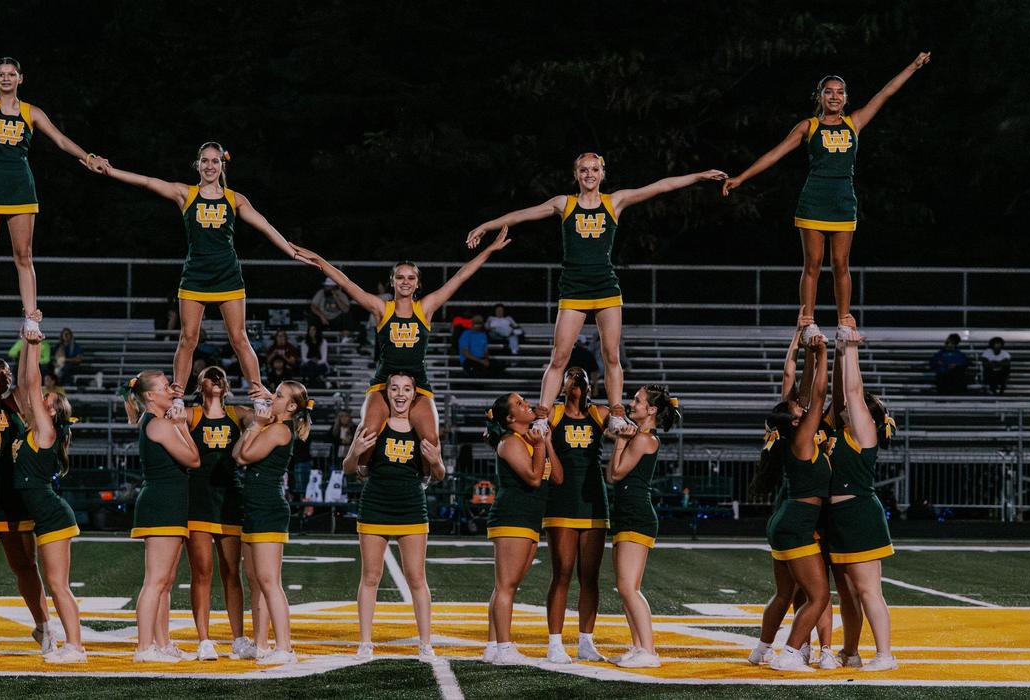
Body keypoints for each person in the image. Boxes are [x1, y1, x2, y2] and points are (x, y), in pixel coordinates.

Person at [467, 156, 727, 436]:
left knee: (611, 355)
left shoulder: (614, 201)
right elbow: (522, 214)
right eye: (583, 169)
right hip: (574, 289)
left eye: (594, 169)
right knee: (559, 357)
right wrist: (487, 225)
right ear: (576, 174)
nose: (589, 174)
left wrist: (699, 176)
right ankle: (542, 416)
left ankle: (616, 413)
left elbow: (661, 186)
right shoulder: (563, 204)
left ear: (602, 173)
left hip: (605, 288)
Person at [723, 53, 932, 337]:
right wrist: (741, 178)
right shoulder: (808, 126)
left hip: (843, 202)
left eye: (840, 92)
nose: (835, 96)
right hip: (814, 201)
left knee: (840, 264)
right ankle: (807, 317)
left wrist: (912, 66)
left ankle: (844, 317)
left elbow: (886, 92)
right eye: (828, 92)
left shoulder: (854, 123)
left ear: (846, 98)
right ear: (819, 97)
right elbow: (775, 153)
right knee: (813, 263)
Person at [100, 142, 305, 418]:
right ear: (198, 164)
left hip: (228, 276)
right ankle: (177, 396)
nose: (210, 166)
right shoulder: (186, 194)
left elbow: (265, 224)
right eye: (205, 161)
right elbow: (148, 182)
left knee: (239, 338)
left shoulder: (235, 199)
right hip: (195, 277)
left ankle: (258, 394)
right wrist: (111, 171)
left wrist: (291, 251)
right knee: (188, 338)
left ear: (223, 165)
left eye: (215, 161)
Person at [293, 228, 511, 480]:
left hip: (418, 383)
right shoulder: (381, 308)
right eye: (400, 277)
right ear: (392, 281)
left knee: (431, 440)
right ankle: (366, 474)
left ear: (417, 283)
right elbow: (345, 283)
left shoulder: (425, 308)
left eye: (410, 278)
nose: (405, 281)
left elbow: (460, 277)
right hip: (384, 381)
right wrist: (318, 260)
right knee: (368, 432)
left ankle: (421, 479)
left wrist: (489, 250)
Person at [0, 19, 105, 340]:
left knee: (23, 255)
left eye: (11, 73)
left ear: (20, 79)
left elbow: (59, 139)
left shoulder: (32, 112)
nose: (6, 77)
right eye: (1, 74)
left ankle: (31, 318)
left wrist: (88, 157)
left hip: (20, 188)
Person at [748, 327, 849, 670]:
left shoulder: (791, 438)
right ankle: (790, 653)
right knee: (819, 595)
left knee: (785, 593)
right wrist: (822, 355)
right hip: (797, 523)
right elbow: (818, 394)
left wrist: (808, 350)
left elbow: (806, 393)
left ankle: (761, 649)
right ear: (795, 419)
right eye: (798, 409)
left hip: (785, 521)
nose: (804, 409)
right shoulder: (802, 437)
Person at [343, 372, 445, 661]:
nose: (400, 394)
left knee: (416, 577)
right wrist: (355, 452)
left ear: (415, 394)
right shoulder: (374, 425)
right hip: (375, 504)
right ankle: (365, 643)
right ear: (385, 393)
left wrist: (437, 461)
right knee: (370, 576)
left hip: (412, 506)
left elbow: (439, 474)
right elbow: (349, 467)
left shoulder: (421, 427)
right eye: (395, 389)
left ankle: (425, 643)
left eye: (407, 389)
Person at [0, 357, 53, 660]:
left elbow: (30, 382)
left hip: (15, 500)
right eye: (4, 370)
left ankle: (43, 626)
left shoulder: (12, 404)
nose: (9, 375)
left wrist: (31, 341)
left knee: (26, 567)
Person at [823, 326, 898, 671]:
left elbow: (852, 390)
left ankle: (885, 655)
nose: (846, 407)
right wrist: (838, 351)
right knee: (849, 595)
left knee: (869, 591)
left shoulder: (863, 433)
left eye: (856, 408)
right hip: (839, 520)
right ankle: (850, 652)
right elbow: (842, 391)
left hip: (860, 516)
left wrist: (850, 347)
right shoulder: (841, 433)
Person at [14, 333, 86, 663]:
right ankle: (71, 644)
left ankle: (76, 647)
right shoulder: (33, 429)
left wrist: (32, 344)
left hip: (53, 517)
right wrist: (26, 345)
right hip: (45, 517)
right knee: (55, 584)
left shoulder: (46, 431)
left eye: (50, 400)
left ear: (54, 413)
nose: (43, 399)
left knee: (58, 585)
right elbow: (24, 384)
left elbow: (31, 384)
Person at [233, 380, 313, 666]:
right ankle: (262, 643)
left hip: (268, 508)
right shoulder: (270, 426)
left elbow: (244, 456)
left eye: (278, 396)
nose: (272, 398)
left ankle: (284, 646)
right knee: (255, 580)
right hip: (255, 507)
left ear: (291, 407)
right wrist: (256, 424)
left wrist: (254, 425)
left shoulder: (279, 429)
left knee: (269, 581)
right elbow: (236, 454)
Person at [124, 369, 201, 662]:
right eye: (165, 386)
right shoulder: (159, 424)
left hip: (167, 503)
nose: (172, 389)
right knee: (156, 581)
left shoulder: (155, 422)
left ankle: (162, 642)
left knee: (165, 581)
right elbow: (193, 459)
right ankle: (145, 647)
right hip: (162, 504)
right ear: (150, 396)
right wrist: (181, 426)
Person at [483, 392, 564, 665]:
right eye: (519, 404)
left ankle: (493, 645)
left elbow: (556, 477)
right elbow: (532, 478)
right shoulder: (509, 442)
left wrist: (546, 443)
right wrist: (539, 446)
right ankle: (504, 648)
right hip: (512, 517)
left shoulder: (528, 440)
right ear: (510, 418)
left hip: (529, 519)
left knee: (508, 585)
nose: (526, 404)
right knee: (505, 585)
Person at [606, 384, 681, 668]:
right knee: (626, 586)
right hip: (628, 514)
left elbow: (614, 474)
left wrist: (619, 441)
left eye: (637, 401)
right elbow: (614, 473)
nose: (631, 403)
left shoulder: (643, 439)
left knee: (628, 588)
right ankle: (638, 646)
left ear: (651, 410)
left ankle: (648, 651)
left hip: (637, 515)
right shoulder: (639, 436)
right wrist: (622, 439)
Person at [184, 366, 252, 660]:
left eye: (220, 376)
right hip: (198, 499)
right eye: (209, 376)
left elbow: (266, 417)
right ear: (200, 384)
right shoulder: (191, 415)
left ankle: (238, 637)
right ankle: (204, 640)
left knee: (231, 572)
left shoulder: (238, 413)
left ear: (226, 385)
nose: (215, 379)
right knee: (202, 572)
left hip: (229, 499)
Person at [542, 368, 608, 665]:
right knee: (563, 573)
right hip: (562, 500)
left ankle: (586, 641)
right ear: (562, 385)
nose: (578, 379)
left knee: (590, 577)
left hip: (594, 501)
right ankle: (555, 643)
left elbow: (629, 427)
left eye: (582, 376)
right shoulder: (553, 414)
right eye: (571, 376)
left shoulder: (600, 414)